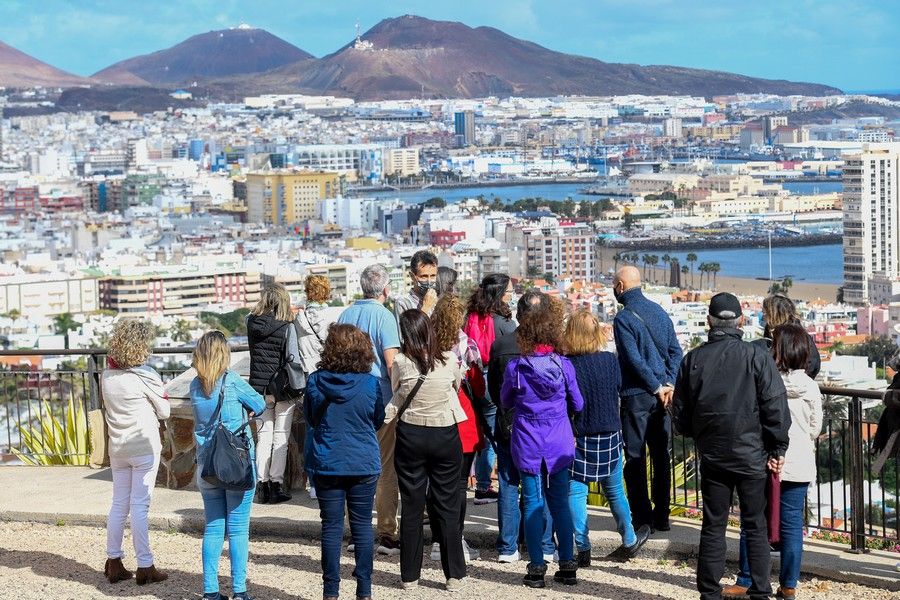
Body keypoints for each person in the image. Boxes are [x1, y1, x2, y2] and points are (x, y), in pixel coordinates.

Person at [672, 293, 791, 600]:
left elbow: (681, 418)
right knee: (755, 527)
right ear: (740, 321)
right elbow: (775, 407)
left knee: (713, 525)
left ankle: (709, 593)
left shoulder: (693, 361)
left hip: (713, 457)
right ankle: (761, 592)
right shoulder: (757, 357)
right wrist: (777, 448)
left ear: (709, 320)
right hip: (752, 457)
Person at [725, 323, 823, 600]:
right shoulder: (811, 387)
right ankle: (789, 583)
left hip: (764, 460)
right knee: (792, 525)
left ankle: (746, 578)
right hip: (800, 462)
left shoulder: (765, 382)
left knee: (753, 521)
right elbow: (815, 428)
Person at [500, 299, 584, 588]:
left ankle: (536, 567)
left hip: (527, 438)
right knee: (560, 503)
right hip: (559, 438)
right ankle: (567, 563)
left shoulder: (517, 368)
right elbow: (579, 402)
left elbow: (505, 400)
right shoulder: (564, 366)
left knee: (533, 501)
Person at [562, 310, 651, 566]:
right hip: (610, 433)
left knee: (576, 492)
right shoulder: (610, 361)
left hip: (580, 434)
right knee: (615, 492)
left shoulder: (568, 365)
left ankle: (583, 547)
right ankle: (629, 538)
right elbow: (617, 390)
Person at [388, 309, 467, 591]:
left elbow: (396, 391)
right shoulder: (449, 360)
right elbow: (456, 388)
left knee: (411, 505)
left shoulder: (400, 362)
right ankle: (454, 574)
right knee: (446, 505)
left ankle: (410, 576)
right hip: (444, 431)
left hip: (411, 434)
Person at [305, 324, 385, 600]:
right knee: (362, 526)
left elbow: (312, 419)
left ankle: (331, 591)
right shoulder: (371, 383)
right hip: (363, 460)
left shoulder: (316, 381)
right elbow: (377, 419)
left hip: (328, 459)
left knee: (331, 526)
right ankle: (364, 590)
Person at [190, 331, 267, 600]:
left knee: (213, 527)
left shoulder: (195, 386)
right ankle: (239, 590)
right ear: (225, 354)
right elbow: (259, 405)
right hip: (237, 466)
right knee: (237, 529)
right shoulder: (232, 382)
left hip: (207, 465)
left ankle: (210, 591)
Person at [487, 289, 557, 564]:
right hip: (543, 426)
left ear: (518, 314)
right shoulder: (552, 348)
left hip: (509, 423)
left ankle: (507, 547)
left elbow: (495, 388)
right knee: (543, 481)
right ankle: (544, 544)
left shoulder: (502, 346)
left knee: (507, 481)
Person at [612, 265, 682, 532]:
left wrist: (656, 386)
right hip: (662, 397)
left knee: (635, 457)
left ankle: (642, 518)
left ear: (620, 286)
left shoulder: (623, 318)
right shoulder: (660, 312)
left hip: (636, 396)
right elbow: (676, 352)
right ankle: (662, 516)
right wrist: (668, 384)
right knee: (661, 456)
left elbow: (632, 359)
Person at [338, 264, 402, 555]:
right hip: (379, 396)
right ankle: (387, 533)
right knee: (385, 466)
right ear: (386, 290)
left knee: (353, 465)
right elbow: (391, 362)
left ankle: (356, 531)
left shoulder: (346, 315)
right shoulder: (385, 317)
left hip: (347, 398)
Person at [102, 319, 170, 585]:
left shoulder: (107, 375)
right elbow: (164, 411)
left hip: (117, 448)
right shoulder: (146, 375)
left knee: (119, 504)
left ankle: (114, 561)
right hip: (144, 447)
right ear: (142, 346)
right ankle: (145, 565)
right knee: (139, 506)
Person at [429, 293, 485, 563]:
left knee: (435, 485)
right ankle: (456, 539)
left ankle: (438, 540)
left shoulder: (425, 344)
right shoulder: (468, 346)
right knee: (459, 485)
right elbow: (479, 387)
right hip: (462, 417)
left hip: (431, 416)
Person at [465, 273, 516, 505]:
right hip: (494, 381)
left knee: (483, 433)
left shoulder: (471, 315)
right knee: (497, 436)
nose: (512, 295)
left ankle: (482, 484)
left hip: (472, 378)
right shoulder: (504, 322)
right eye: (509, 291)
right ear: (499, 294)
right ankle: (489, 486)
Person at [247, 283, 300, 505]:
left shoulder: (251, 323)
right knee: (281, 436)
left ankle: (261, 484)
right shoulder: (287, 326)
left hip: (258, 388)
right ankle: (276, 484)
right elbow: (292, 357)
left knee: (263, 436)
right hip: (282, 388)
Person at [296, 274, 345, 499]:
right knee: (333, 426)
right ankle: (332, 475)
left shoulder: (298, 318)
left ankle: (314, 481)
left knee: (312, 429)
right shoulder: (333, 316)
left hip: (309, 377)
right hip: (330, 375)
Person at [759, 293, 821, 379]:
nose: (763, 317)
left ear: (775, 315)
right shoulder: (802, 335)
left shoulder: (798, 338)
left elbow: (812, 364)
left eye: (765, 313)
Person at [394, 249, 439, 319]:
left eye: (433, 276)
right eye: (424, 276)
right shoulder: (403, 303)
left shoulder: (438, 300)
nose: (429, 281)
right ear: (412, 276)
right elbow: (409, 330)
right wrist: (426, 308)